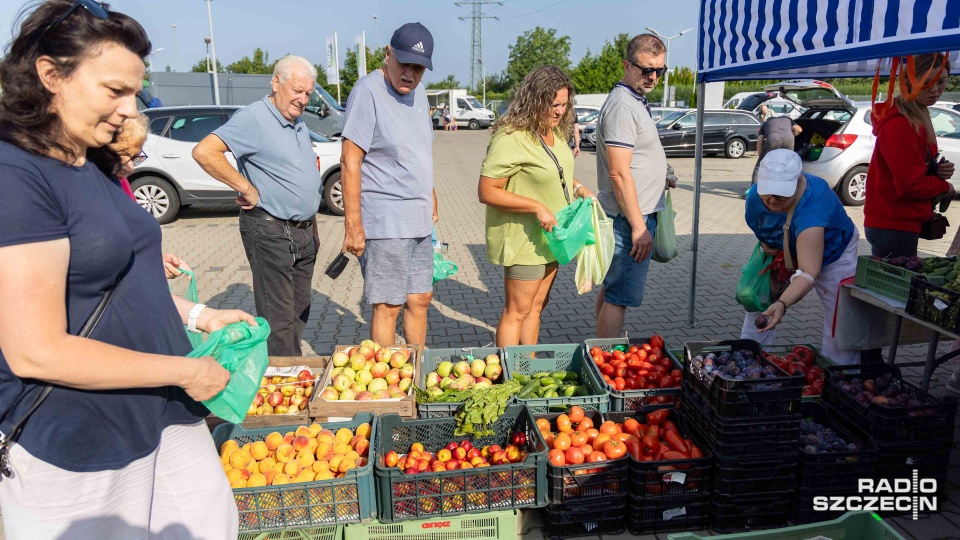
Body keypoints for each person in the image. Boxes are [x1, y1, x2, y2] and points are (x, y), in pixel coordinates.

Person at [0, 2, 256, 537]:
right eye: (114, 90)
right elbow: (35, 349)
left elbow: (122, 283)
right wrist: (186, 371)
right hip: (80, 439)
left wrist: (200, 314)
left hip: (163, 413)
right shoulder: (17, 176)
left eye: (135, 91)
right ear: (51, 75)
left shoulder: (87, 161)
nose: (129, 108)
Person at [193, 55, 323, 356]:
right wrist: (245, 186)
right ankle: (284, 381)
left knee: (299, 308)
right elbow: (205, 151)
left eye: (308, 93)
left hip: (303, 232)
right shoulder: (253, 117)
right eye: (297, 91)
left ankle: (287, 368)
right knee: (278, 318)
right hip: (270, 230)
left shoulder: (297, 120)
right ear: (276, 82)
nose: (303, 100)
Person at [478, 66, 594, 347]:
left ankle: (525, 370)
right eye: (553, 104)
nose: (560, 111)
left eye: (565, 105)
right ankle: (507, 379)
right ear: (534, 101)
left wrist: (579, 188)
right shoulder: (512, 137)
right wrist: (536, 207)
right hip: (524, 241)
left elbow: (555, 171)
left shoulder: (552, 133)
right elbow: (486, 190)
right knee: (516, 312)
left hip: (551, 239)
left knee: (537, 307)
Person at [341, 23, 439, 348]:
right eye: (405, 63)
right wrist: (353, 225)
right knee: (389, 305)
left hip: (419, 219)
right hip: (386, 223)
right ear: (388, 54)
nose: (410, 73)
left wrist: (432, 193)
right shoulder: (368, 92)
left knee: (421, 298)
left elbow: (420, 148)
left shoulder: (420, 94)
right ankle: (390, 389)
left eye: (419, 67)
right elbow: (350, 160)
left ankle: (418, 365)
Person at [742, 150, 860, 365]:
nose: (772, 200)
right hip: (786, 250)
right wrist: (770, 245)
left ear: (798, 181)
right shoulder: (754, 198)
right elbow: (763, 226)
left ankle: (840, 374)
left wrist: (782, 303)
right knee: (759, 305)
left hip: (834, 253)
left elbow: (809, 271)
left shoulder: (814, 206)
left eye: (781, 194)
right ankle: (749, 361)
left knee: (839, 318)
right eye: (767, 192)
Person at [594, 34, 669, 338]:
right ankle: (604, 360)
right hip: (629, 220)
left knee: (614, 288)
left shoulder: (636, 100)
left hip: (632, 216)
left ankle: (598, 352)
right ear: (626, 65)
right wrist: (639, 228)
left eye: (659, 71)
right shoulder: (623, 106)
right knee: (619, 296)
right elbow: (619, 174)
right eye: (645, 69)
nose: (652, 77)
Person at [865, 52, 955, 259]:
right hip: (893, 223)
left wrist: (936, 171)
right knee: (892, 289)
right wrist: (944, 187)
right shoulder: (902, 124)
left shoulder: (916, 116)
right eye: (926, 83)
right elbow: (909, 185)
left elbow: (911, 170)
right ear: (908, 82)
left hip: (897, 222)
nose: (935, 90)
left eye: (942, 82)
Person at [110, 115, 194, 281]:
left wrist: (157, 262)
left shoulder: (121, 182)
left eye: (135, 157)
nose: (131, 167)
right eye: (122, 154)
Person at [751, 115, 802, 185]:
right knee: (787, 165)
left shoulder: (766, 123)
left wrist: (761, 157)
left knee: (759, 166)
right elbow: (799, 129)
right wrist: (790, 136)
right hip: (788, 140)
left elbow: (760, 140)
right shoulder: (788, 119)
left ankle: (753, 188)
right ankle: (788, 187)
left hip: (773, 140)